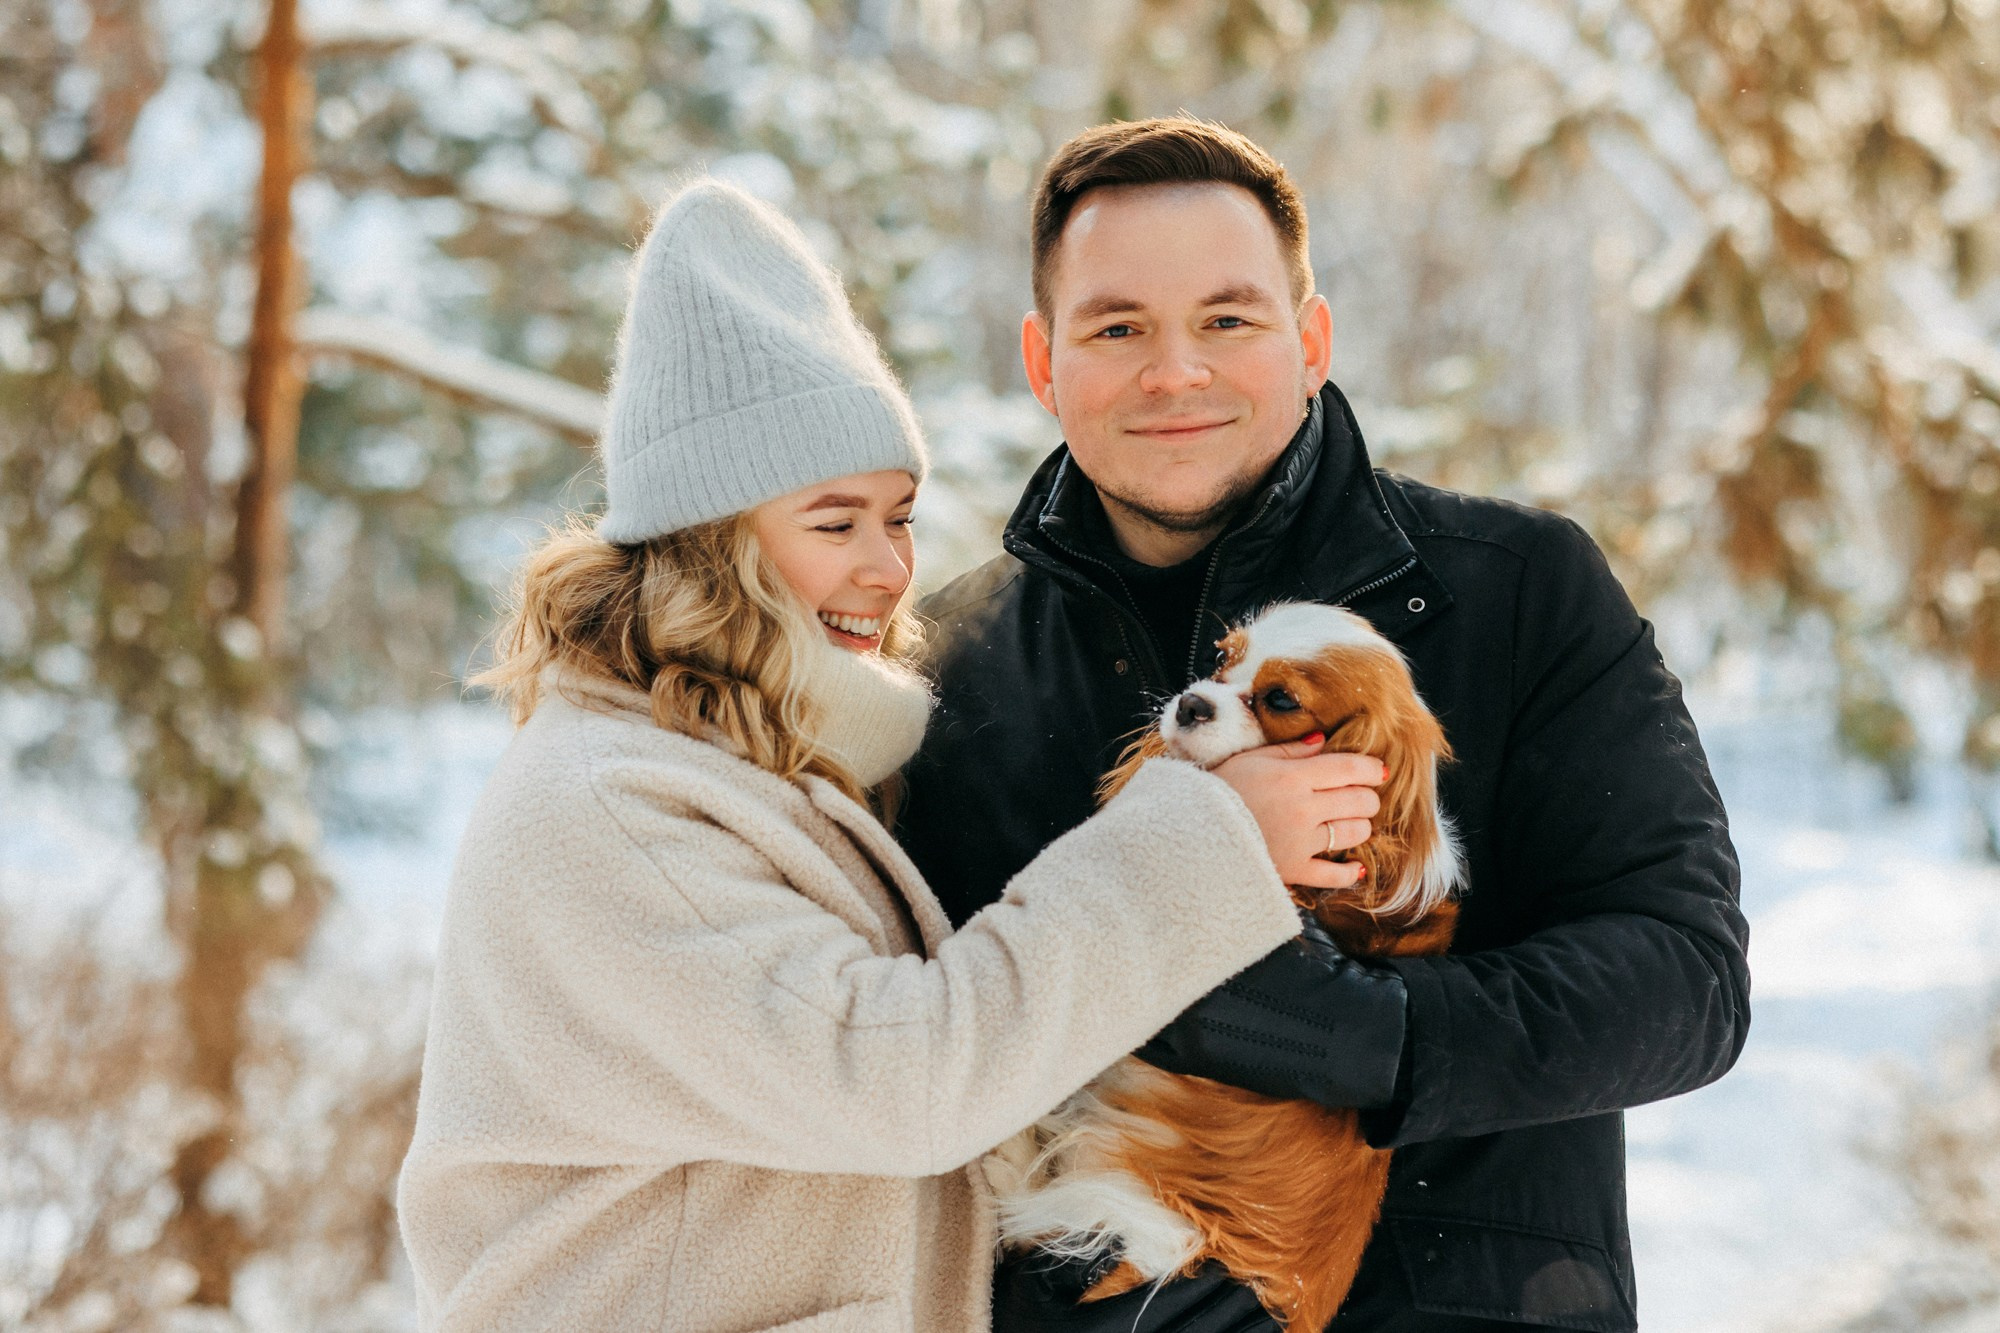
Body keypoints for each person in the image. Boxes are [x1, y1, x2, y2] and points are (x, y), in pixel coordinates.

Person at [394, 179, 1371, 1332]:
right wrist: (1211, 836)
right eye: (832, 521)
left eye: (898, 515)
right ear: (713, 543)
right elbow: (903, 1080)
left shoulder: (758, 769)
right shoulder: (612, 807)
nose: (886, 568)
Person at [896, 118, 1752, 1331]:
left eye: (1226, 319)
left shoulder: (1515, 588)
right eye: (1117, 326)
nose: (1174, 369)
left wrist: (1358, 1031)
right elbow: (896, 1047)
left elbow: (1684, 979)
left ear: (1310, 338)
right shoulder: (945, 669)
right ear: (1044, 361)